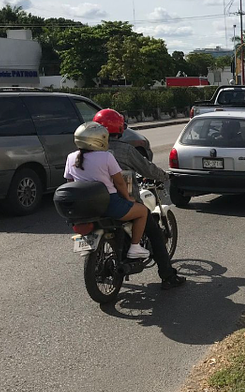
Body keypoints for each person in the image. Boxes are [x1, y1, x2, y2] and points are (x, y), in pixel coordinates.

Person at [92, 109, 186, 290]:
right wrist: (165, 176)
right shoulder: (125, 150)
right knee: (155, 233)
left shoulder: (89, 151)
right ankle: (168, 276)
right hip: (122, 202)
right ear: (120, 128)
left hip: (95, 203)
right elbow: (147, 169)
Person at [64, 122, 150, 259]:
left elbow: (70, 182)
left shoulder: (71, 157)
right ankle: (135, 247)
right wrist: (128, 198)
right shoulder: (106, 157)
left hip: (84, 206)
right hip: (108, 203)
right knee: (142, 211)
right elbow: (119, 182)